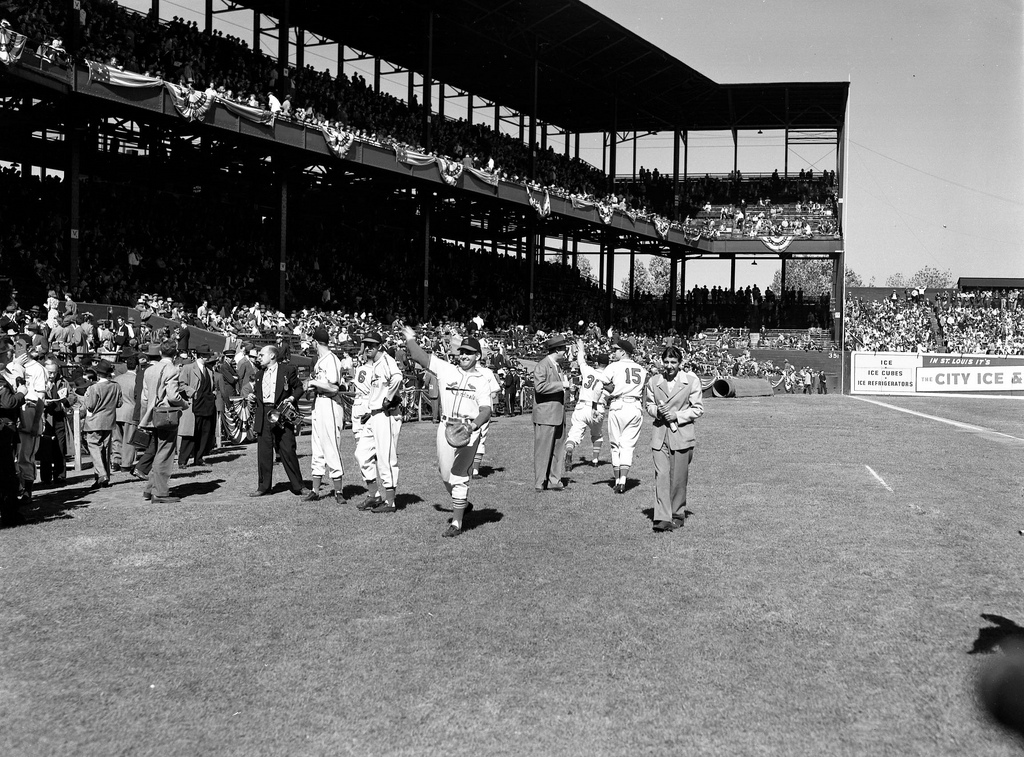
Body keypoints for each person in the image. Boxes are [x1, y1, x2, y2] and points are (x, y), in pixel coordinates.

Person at [402, 327, 492, 537]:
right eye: (462, 351)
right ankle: (462, 503)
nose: (463, 355)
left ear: (477, 356)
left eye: (469, 352)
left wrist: (473, 426)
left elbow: (486, 410)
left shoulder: (482, 379)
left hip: (468, 430)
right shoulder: (446, 369)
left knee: (459, 475)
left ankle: (457, 523)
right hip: (446, 427)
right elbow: (419, 357)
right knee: (445, 474)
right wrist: (410, 339)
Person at [643, 346, 704, 532]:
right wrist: (657, 412)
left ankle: (677, 513)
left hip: (682, 435)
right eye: (666, 362)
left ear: (680, 363)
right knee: (661, 475)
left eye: (673, 362)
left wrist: (676, 415)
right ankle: (662, 517)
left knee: (678, 477)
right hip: (660, 435)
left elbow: (698, 409)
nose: (669, 366)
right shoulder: (654, 381)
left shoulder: (691, 381)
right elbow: (649, 405)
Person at [352, 331, 403, 513]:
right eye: (366, 344)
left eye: (372, 345)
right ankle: (374, 495)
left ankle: (390, 502)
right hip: (374, 415)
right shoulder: (374, 364)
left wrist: (388, 399)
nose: (368, 348)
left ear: (379, 346)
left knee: (385, 458)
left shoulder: (386, 360)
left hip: (386, 415)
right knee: (362, 453)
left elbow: (397, 377)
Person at [249, 345, 307, 497]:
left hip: (282, 413)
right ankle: (263, 487)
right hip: (264, 415)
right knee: (264, 453)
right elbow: (257, 394)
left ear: (272, 356)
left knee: (287, 450)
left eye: (262, 355)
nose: (259, 357)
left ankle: (299, 486)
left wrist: (292, 398)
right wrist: (253, 397)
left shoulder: (287, 370)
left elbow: (299, 388)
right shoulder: (259, 374)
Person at [138, 340, 188, 503]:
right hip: (166, 415)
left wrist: (145, 417)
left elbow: (145, 397)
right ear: (175, 355)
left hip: (151, 415)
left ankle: (149, 489)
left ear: (160, 353)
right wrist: (184, 404)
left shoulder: (149, 370)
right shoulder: (172, 369)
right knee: (165, 453)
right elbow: (173, 396)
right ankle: (160, 493)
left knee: (159, 451)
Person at [304, 327, 346, 503]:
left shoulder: (331, 360)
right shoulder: (320, 361)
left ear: (315, 342)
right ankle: (315, 490)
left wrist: (313, 382)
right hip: (319, 403)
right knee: (317, 446)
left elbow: (334, 387)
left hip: (330, 403)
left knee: (330, 445)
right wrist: (311, 388)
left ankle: (338, 491)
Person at [602, 337, 648, 494]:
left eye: (615, 350)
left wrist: (612, 390)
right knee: (628, 446)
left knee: (616, 445)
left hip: (618, 405)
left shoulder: (614, 366)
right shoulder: (642, 369)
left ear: (623, 352)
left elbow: (602, 382)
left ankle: (617, 481)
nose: (613, 352)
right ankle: (623, 482)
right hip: (635, 406)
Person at [532, 334, 569, 492]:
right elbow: (539, 387)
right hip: (546, 415)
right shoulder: (542, 365)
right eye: (563, 350)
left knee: (557, 450)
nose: (565, 353)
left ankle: (554, 480)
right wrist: (562, 385)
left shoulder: (556, 366)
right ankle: (540, 482)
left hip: (557, 414)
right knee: (543, 451)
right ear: (557, 350)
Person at [564, 342, 609, 470]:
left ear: (596, 363)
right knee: (597, 435)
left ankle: (569, 449)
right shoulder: (608, 376)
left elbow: (581, 360)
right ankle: (595, 460)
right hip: (597, 407)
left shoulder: (588, 370)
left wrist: (582, 349)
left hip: (582, 406)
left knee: (574, 434)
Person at [79, 359, 123, 488]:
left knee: (94, 447)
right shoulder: (116, 386)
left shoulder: (94, 388)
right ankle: (103, 478)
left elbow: (90, 406)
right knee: (105, 449)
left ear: (98, 374)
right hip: (109, 420)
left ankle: (102, 474)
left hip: (94, 421)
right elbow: (119, 404)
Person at [13, 336, 45, 502]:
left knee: (26, 457)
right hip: (12, 415)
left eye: (21, 345)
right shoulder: (11, 366)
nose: (18, 349)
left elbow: (40, 399)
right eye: (16, 345)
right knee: (12, 458)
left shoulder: (38, 369)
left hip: (30, 413)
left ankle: (27, 491)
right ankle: (13, 491)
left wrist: (35, 423)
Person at [0, 337, 27, 526]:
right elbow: (8, 402)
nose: (12, 354)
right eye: (9, 351)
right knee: (7, 473)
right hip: (3, 429)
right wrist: (21, 393)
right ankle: (10, 514)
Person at [177, 345, 218, 467]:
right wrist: (193, 392)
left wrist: (213, 393)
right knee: (190, 433)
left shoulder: (210, 371)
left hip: (207, 404)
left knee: (204, 432)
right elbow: (181, 384)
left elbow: (212, 386)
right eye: (205, 355)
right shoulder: (188, 368)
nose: (207, 357)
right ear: (200, 356)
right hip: (194, 405)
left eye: (207, 355)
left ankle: (198, 458)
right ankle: (182, 460)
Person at [38, 358, 74, 487]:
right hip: (45, 417)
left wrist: (66, 400)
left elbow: (72, 396)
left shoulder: (63, 381)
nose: (52, 375)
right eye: (49, 372)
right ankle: (46, 477)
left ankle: (60, 475)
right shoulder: (40, 381)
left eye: (54, 372)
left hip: (59, 417)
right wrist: (42, 402)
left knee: (60, 447)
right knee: (46, 448)